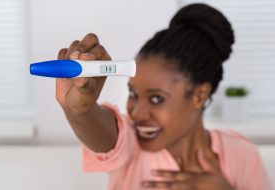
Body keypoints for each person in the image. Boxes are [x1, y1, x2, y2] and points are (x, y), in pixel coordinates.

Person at [56, 3, 271, 190]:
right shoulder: (131, 144)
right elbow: (103, 134)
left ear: (199, 95)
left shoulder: (241, 154)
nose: (137, 113)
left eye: (156, 98)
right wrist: (79, 111)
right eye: (133, 93)